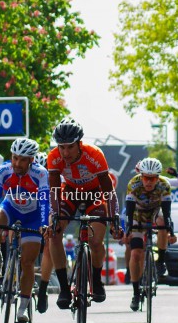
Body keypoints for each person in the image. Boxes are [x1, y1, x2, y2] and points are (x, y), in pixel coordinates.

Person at [47, 117, 123, 310]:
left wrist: (115, 219)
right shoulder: (54, 157)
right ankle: (64, 288)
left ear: (79, 143)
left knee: (96, 240)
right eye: (61, 147)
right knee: (54, 233)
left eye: (70, 147)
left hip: (95, 194)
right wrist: (54, 216)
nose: (65, 152)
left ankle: (96, 281)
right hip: (70, 192)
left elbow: (109, 191)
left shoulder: (94, 155)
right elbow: (54, 191)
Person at [0, 138, 49, 323]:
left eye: (22, 160)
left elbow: (45, 201)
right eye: (14, 158)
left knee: (28, 262)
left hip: (33, 214)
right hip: (10, 208)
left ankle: (22, 307)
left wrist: (44, 223)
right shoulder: (3, 170)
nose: (17, 163)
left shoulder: (40, 173)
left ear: (31, 160)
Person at [124, 157, 177, 311]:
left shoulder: (164, 185)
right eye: (146, 178)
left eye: (152, 178)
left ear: (158, 177)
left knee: (162, 222)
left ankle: (160, 261)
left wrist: (170, 230)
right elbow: (129, 211)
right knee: (136, 254)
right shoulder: (133, 184)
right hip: (137, 213)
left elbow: (167, 213)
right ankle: (135, 293)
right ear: (141, 176)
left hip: (155, 211)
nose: (149, 182)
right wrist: (128, 229)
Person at [32, 151, 54, 313]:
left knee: (50, 243)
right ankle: (12, 273)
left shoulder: (54, 180)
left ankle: (43, 289)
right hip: (29, 212)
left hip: (47, 214)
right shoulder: (26, 177)